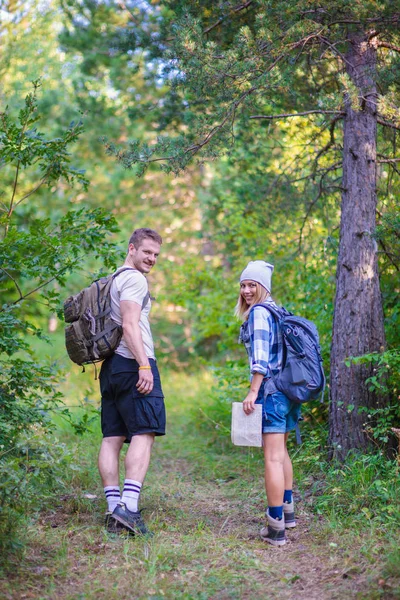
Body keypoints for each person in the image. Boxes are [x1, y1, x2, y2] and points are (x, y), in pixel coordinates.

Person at [98, 228, 166, 536]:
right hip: (131, 363)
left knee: (112, 436)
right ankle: (129, 507)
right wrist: (143, 365)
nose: (151, 259)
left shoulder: (113, 277)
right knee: (145, 431)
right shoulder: (135, 279)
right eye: (146, 252)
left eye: (155, 254)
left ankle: (114, 510)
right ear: (131, 249)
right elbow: (129, 324)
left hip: (110, 367)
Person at [237, 260, 300, 546]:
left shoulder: (260, 313)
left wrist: (253, 391)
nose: (246, 290)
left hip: (271, 392)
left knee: (272, 458)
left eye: (252, 285)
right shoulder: (278, 310)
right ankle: (288, 513)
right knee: (282, 453)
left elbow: (260, 357)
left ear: (264, 287)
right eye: (243, 285)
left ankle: (275, 529)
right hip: (288, 392)